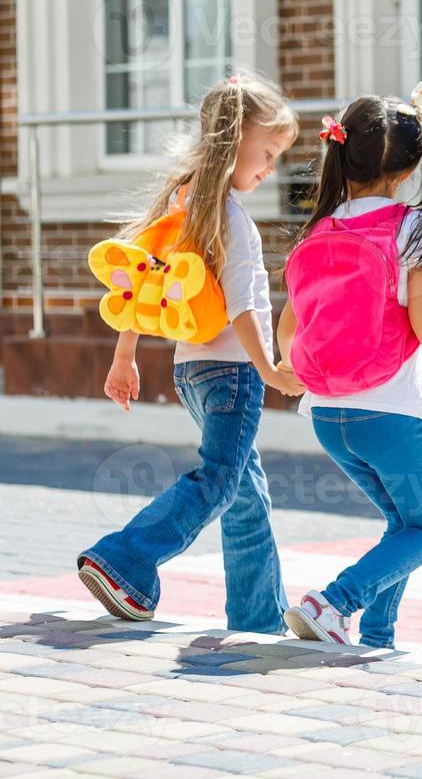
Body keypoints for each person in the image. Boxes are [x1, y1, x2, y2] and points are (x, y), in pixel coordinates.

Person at [276, 84, 422, 648]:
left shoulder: (321, 228)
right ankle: (333, 602)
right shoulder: (415, 229)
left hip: (328, 415)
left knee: (404, 524)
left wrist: (284, 367)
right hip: (389, 413)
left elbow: (290, 322)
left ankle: (379, 635)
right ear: (409, 171)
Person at [79, 73, 305, 633]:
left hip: (192, 371)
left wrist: (124, 355)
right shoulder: (229, 218)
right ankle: (125, 558)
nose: (271, 167)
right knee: (219, 481)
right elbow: (243, 310)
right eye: (268, 152)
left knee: (245, 493)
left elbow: (141, 281)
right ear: (234, 140)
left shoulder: (184, 203)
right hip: (232, 373)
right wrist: (270, 370)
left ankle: (258, 619)